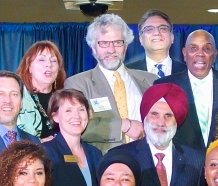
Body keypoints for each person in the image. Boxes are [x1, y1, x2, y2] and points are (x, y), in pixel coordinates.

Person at [65, 13, 156, 154]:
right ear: (93, 48)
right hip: (104, 165)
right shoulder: (77, 84)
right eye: (104, 43)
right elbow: (77, 126)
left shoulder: (150, 80)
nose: (111, 50)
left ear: (125, 46)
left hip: (146, 163)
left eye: (117, 42)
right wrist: (124, 125)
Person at [120, 83, 206, 186]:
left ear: (177, 121)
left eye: (168, 116)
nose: (160, 122)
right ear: (144, 117)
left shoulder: (196, 160)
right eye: (154, 114)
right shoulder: (122, 156)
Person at [156, 29, 218, 152]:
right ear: (184, 53)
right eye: (193, 48)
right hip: (181, 164)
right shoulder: (165, 86)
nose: (200, 54)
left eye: (207, 49)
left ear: (215, 54)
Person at [43, 88, 102, 186]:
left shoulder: (95, 153)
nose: (77, 116)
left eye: (81, 109)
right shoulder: (46, 153)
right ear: (55, 116)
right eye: (68, 110)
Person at [16, 41, 65, 139]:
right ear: (29, 67)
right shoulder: (18, 97)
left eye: (53, 61)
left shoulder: (64, 98)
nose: (48, 64)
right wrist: (41, 144)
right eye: (41, 60)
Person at [125, 9, 185, 78]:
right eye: (149, 29)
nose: (156, 33)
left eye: (162, 28)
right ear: (141, 39)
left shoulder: (188, 72)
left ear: (172, 37)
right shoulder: (127, 73)